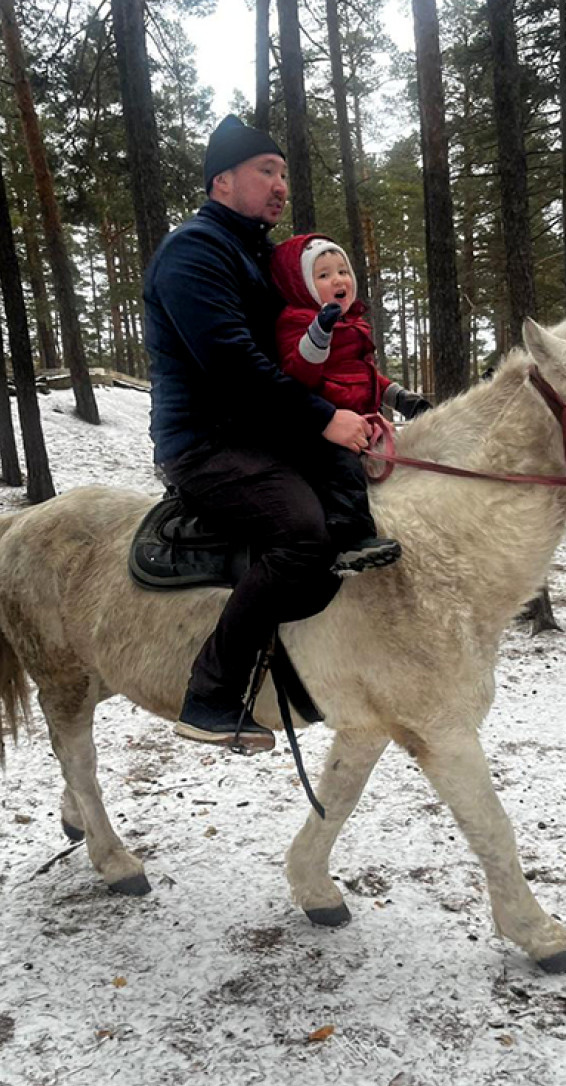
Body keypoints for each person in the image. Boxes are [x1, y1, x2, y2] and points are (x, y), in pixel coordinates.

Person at [145, 115, 400, 750]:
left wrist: (362, 399)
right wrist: (324, 419)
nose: (281, 185)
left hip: (263, 430)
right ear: (222, 181)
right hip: (207, 441)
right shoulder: (194, 252)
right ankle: (212, 694)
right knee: (300, 535)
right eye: (267, 171)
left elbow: (304, 353)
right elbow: (233, 366)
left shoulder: (260, 257)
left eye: (284, 173)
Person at [270, 234, 431, 420]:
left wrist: (398, 397)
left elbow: (362, 374)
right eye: (324, 275)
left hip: (364, 420)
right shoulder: (297, 321)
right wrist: (318, 335)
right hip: (325, 427)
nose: (338, 280)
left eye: (343, 271)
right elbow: (298, 378)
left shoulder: (352, 323)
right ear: (303, 286)